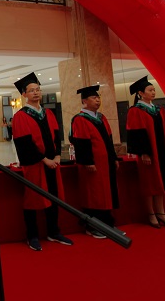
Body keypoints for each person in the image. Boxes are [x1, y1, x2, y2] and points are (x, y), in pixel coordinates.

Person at [12, 72, 73, 251]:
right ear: (24, 94)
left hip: (52, 163)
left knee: (53, 197)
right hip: (35, 165)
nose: (36, 93)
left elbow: (56, 136)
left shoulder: (48, 113)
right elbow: (24, 144)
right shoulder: (20, 116)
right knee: (33, 200)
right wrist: (44, 159)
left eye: (38, 89)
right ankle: (32, 235)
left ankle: (53, 232)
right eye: (31, 90)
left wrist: (57, 156)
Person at [126, 76, 165, 229]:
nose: (153, 92)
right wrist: (144, 153)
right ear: (140, 93)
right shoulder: (135, 111)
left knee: (161, 181)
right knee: (150, 183)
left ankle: (161, 212)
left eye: (154, 90)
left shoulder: (158, 110)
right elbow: (136, 133)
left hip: (162, 151)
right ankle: (151, 213)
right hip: (148, 154)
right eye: (150, 90)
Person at [70, 85, 120, 239]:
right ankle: (92, 227)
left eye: (98, 97)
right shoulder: (80, 119)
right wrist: (87, 162)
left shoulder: (101, 118)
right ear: (84, 101)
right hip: (92, 165)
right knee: (94, 195)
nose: (98, 100)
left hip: (106, 163)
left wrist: (113, 158)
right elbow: (80, 142)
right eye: (94, 98)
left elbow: (109, 140)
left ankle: (108, 224)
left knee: (106, 193)